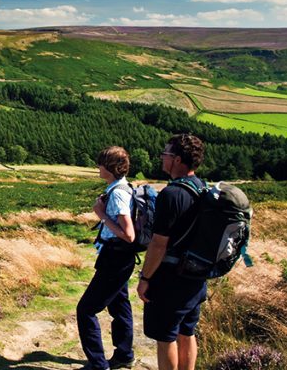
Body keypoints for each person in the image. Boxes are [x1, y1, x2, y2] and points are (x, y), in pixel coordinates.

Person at [136, 134, 207, 370]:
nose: (162, 158)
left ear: (176, 159)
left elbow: (158, 244)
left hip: (171, 277)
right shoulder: (202, 188)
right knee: (187, 331)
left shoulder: (171, 194)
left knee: (166, 336)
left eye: (165, 154)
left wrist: (145, 278)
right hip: (196, 275)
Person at [77, 146, 137, 370]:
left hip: (115, 258)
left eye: (101, 164)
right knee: (119, 305)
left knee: (86, 310)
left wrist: (101, 215)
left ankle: (98, 364)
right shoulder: (122, 187)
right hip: (120, 258)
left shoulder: (118, 193)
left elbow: (129, 234)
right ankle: (124, 354)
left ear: (110, 168)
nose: (97, 167)